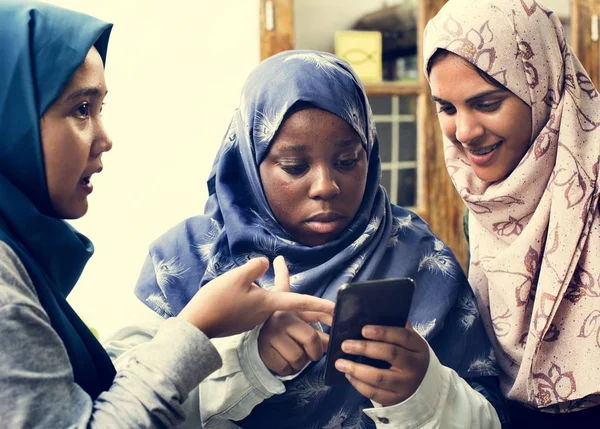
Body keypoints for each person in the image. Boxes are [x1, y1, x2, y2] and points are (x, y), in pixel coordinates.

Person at [0, 2, 335, 428]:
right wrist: (198, 326)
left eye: (347, 159)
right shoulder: (187, 253)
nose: (105, 138)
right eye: (82, 108)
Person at [133, 49, 507, 428]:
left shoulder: (420, 255)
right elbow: (126, 407)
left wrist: (423, 391)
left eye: (347, 161)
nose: (326, 187)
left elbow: (492, 417)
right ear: (248, 161)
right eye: (295, 167)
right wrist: (247, 361)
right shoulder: (189, 258)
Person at [424, 0, 600, 426]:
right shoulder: (481, 207)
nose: (464, 133)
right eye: (447, 108)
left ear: (544, 87)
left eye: (486, 103)